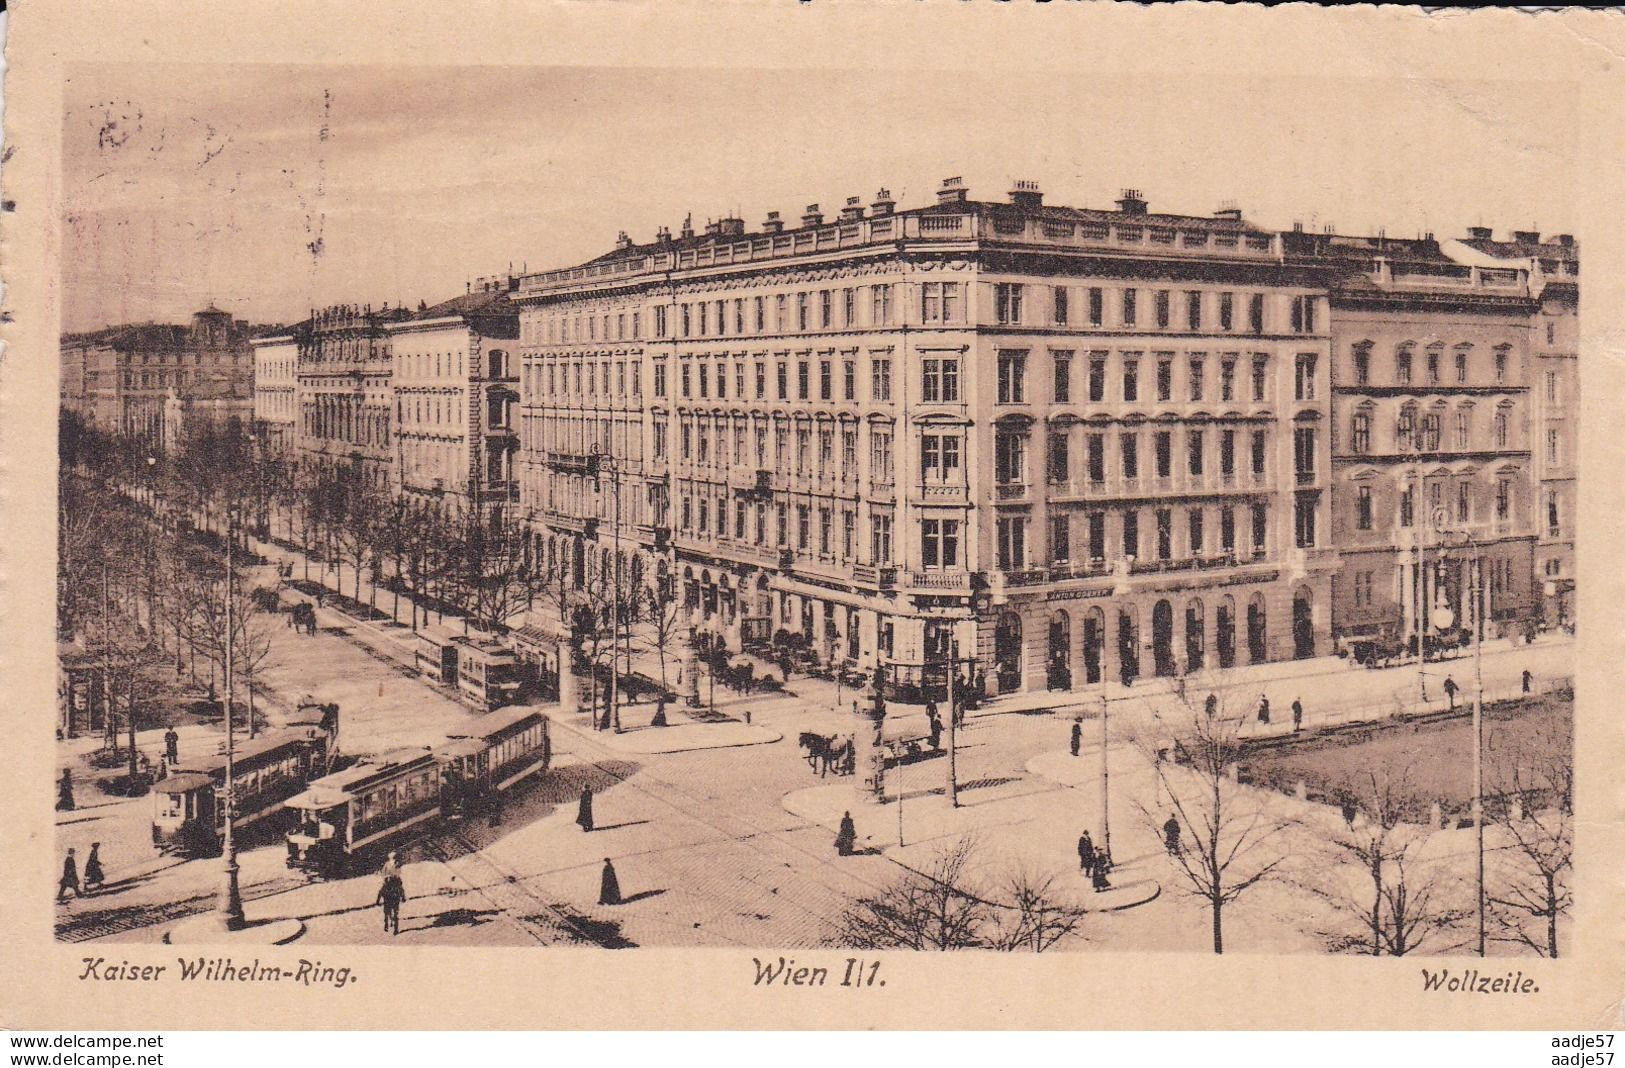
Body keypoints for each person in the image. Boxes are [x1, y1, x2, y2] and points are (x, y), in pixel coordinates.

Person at [376, 867, 405, 936]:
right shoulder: (395, 881)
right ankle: (393, 928)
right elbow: (401, 890)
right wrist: (403, 897)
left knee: (388, 913)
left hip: (389, 899)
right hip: (393, 899)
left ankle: (391, 927)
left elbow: (381, 892)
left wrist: (378, 901)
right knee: (393, 914)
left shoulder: (389, 882)